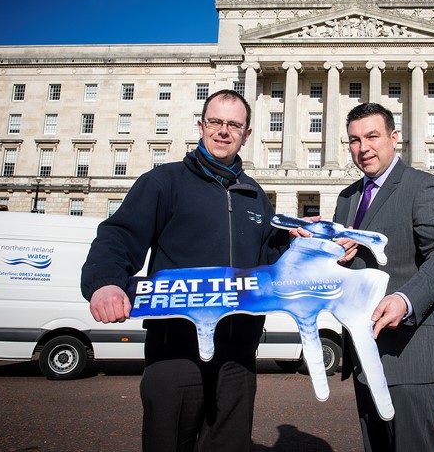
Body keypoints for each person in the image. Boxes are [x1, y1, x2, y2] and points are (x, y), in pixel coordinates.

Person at [81, 89, 288, 452]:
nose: (223, 131)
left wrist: (311, 244)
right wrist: (106, 283)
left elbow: (273, 259)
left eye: (234, 125)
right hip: (176, 347)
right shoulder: (164, 181)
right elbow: (118, 236)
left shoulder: (255, 195)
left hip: (237, 351)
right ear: (201, 126)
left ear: (247, 134)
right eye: (216, 122)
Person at [335, 102, 434, 452]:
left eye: (372, 136)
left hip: (410, 353)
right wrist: (332, 254)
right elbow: (349, 267)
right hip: (364, 352)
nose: (364, 148)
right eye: (355, 140)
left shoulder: (424, 187)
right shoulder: (348, 197)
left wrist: (405, 299)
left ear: (395, 137)